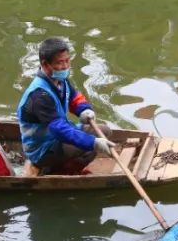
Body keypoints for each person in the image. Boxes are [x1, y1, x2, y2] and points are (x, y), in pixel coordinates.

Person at [16, 37, 115, 175]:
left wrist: (84, 109)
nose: (65, 66)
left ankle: (64, 166)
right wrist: (93, 142)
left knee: (105, 131)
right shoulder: (39, 95)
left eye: (67, 61)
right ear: (45, 65)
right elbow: (59, 129)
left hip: (57, 138)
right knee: (92, 145)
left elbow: (73, 97)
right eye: (60, 62)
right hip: (43, 149)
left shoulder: (61, 80)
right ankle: (63, 171)